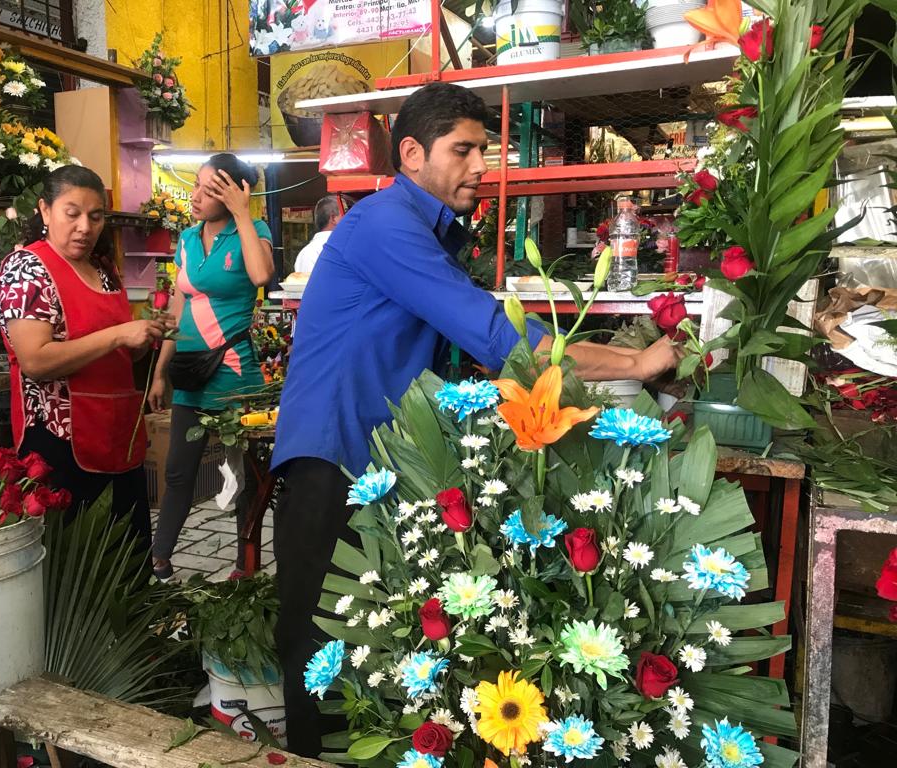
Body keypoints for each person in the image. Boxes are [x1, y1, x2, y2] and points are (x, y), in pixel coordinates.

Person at [270, 82, 686, 757]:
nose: (480, 168)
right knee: (320, 645)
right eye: (462, 151)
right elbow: (504, 342)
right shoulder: (385, 225)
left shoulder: (429, 231)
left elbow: (467, 356)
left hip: (378, 464)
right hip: (332, 458)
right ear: (410, 153)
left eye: (483, 151)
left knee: (369, 640)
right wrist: (634, 366)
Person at [0, 166, 173, 544]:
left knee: (128, 554)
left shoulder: (104, 271)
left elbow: (118, 358)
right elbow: (36, 361)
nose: (85, 227)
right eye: (71, 213)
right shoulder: (27, 269)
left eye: (95, 216)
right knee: (79, 562)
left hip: (117, 433)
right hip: (60, 442)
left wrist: (138, 344)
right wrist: (118, 333)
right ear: (44, 210)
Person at [147, 154, 275, 581]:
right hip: (190, 371)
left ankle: (246, 563)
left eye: (209, 189)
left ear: (235, 192)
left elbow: (260, 277)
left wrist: (242, 210)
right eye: (197, 186)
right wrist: (161, 370)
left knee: (246, 474)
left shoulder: (253, 231)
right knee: (179, 470)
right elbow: (181, 304)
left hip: (236, 374)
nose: (196, 196)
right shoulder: (186, 238)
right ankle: (160, 556)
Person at [293, 194, 354, 274]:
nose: (349, 218)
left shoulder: (310, 252)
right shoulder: (311, 253)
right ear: (333, 218)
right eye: (345, 212)